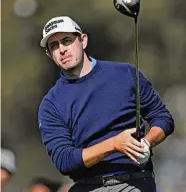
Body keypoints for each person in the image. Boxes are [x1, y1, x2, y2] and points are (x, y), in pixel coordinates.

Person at [38, 16, 175, 192]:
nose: (62, 49)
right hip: (88, 186)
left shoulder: (125, 74)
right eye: (54, 46)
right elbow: (65, 161)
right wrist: (114, 144)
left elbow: (162, 117)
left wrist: (147, 143)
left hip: (135, 181)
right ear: (50, 55)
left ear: (83, 40)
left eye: (67, 41)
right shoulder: (51, 104)